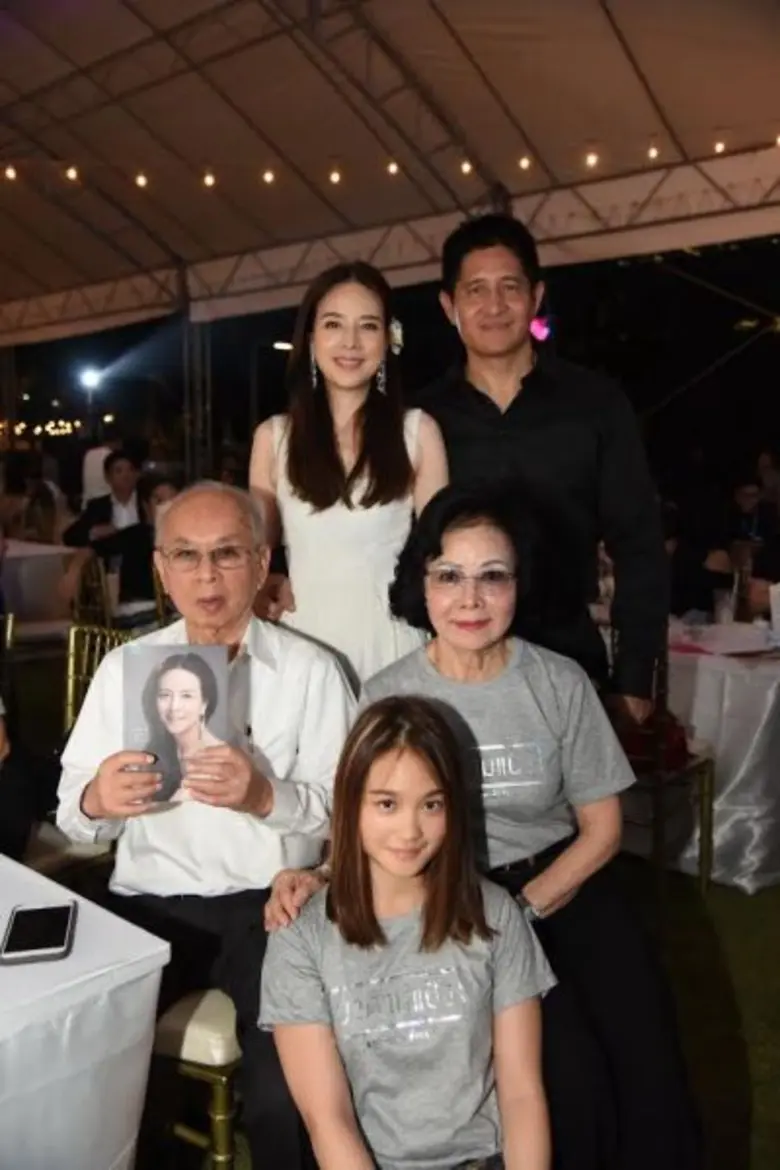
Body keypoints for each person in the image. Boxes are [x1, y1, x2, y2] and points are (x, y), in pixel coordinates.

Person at [266, 487, 702, 1170]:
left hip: (557, 888)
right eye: (449, 576)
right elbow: (372, 817)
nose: (470, 599)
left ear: (520, 583)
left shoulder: (559, 683)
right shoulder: (386, 693)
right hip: (433, 897)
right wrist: (317, 874)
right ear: (422, 584)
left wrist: (516, 914)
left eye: (492, 576)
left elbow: (603, 830)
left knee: (622, 1066)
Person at [56, 481, 356, 1170]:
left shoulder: (313, 672)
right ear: (160, 569)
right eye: (186, 556)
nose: (207, 575)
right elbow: (74, 816)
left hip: (273, 906)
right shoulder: (124, 670)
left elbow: (350, 814)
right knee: (91, 1076)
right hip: (149, 904)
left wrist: (266, 796)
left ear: (262, 561)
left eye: (227, 553)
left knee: (286, 1089)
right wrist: (99, 800)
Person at [261, 694, 554, 1170]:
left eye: (431, 804)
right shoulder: (300, 937)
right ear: (350, 803)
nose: (410, 830)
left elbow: (522, 1095)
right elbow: (328, 1120)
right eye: (387, 804)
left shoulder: (495, 915)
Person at [417, 214, 667, 725]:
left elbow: (639, 544)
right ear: (449, 305)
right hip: (450, 671)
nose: (493, 306)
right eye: (476, 290)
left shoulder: (596, 404)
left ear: (535, 297)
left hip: (570, 660)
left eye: (509, 287)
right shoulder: (420, 419)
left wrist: (635, 678)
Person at [250, 261, 448, 688]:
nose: (351, 342)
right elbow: (254, 554)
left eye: (368, 326)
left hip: (393, 647)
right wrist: (267, 582)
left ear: (388, 339)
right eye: (334, 324)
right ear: (311, 338)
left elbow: (442, 553)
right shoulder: (273, 438)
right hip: (301, 646)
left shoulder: (418, 432)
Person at [59, 473, 178, 621]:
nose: (167, 507)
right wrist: (73, 573)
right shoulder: (135, 534)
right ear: (146, 506)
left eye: (173, 501)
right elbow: (90, 550)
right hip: (139, 612)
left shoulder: (189, 540)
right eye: (159, 501)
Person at [141, 651, 224, 803]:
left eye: (186, 696)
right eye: (165, 695)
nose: (174, 706)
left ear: (204, 704)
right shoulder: (157, 754)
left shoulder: (220, 761)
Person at [63, 449, 141, 548]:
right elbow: (69, 536)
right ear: (108, 477)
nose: (126, 475)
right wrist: (93, 533)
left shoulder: (146, 502)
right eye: (119, 471)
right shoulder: (98, 506)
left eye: (131, 470)